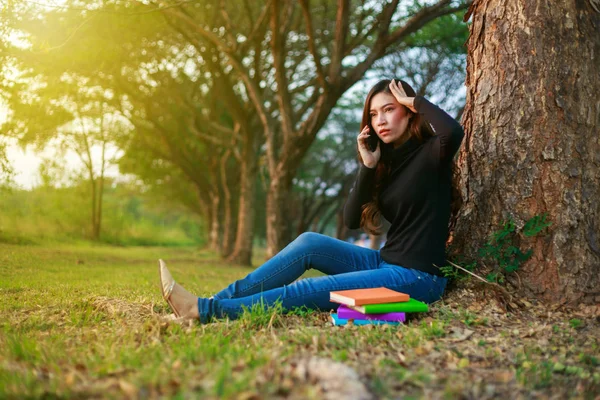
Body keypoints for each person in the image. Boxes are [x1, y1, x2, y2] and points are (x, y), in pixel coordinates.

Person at [159, 79, 464, 322]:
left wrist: (417, 101)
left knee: (309, 289)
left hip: (417, 277)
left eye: (389, 109)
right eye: (373, 114)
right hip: (384, 261)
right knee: (309, 243)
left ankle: (204, 312)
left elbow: (453, 130)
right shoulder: (386, 162)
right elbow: (350, 220)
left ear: (408, 111)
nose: (380, 120)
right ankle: (216, 300)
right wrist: (367, 167)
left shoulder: (430, 154)